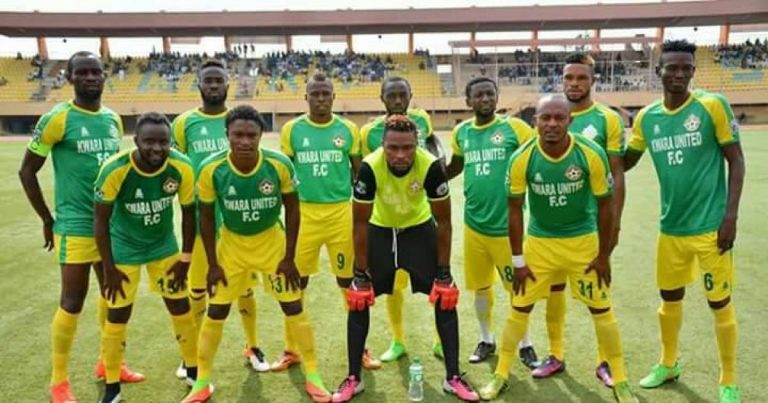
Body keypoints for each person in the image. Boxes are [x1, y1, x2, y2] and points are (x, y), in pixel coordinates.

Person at [478, 95, 637, 403]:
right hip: (540, 244)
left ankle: (620, 380)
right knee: (519, 309)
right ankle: (501, 374)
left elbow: (606, 206)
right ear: (534, 121)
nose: (552, 124)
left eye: (559, 118)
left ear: (570, 121)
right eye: (545, 118)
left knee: (601, 309)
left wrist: (603, 255)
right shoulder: (522, 157)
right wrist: (518, 261)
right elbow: (514, 210)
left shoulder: (590, 153)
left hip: (583, 243)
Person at [182, 105, 332, 403]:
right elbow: (206, 218)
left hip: (272, 244)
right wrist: (212, 264)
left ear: (261, 135)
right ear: (227, 134)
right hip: (231, 247)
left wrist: (289, 257)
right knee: (217, 311)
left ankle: (314, 376)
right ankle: (202, 382)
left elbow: (293, 209)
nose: (245, 141)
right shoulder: (211, 168)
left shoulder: (278, 164)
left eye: (252, 135)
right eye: (238, 135)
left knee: (293, 306)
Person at [624, 39, 745, 403]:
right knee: (669, 299)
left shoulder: (711, 105)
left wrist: (730, 217)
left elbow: (736, 160)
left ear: (693, 71)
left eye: (686, 68)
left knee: (719, 303)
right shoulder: (648, 118)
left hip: (711, 228)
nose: (679, 74)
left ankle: (728, 381)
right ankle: (668, 363)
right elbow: (626, 161)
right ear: (658, 70)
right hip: (671, 229)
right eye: (672, 68)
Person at [18, 51, 143, 403]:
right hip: (75, 224)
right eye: (82, 72)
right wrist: (47, 218)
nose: (90, 77)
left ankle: (109, 363)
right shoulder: (58, 118)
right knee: (72, 301)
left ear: (104, 76)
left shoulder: (112, 119)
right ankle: (59, 382)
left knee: (113, 295)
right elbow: (27, 170)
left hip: (113, 225)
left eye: (95, 71)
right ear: (69, 77)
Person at [332, 115, 478, 402]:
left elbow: (444, 222)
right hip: (380, 233)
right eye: (393, 148)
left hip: (418, 232)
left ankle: (453, 376)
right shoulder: (370, 167)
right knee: (358, 299)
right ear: (382, 146)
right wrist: (360, 274)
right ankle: (353, 378)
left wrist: (444, 272)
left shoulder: (430, 166)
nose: (400, 155)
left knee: (446, 297)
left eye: (407, 148)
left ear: (417, 145)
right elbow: (359, 223)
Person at [531, 51, 628, 386]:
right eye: (568, 78)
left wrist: (614, 227)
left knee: (597, 295)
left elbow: (617, 175)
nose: (574, 84)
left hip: (589, 228)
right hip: (551, 231)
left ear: (593, 80)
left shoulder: (607, 119)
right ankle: (556, 355)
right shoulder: (549, 116)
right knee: (555, 291)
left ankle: (606, 361)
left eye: (581, 77)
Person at [171, 59, 268, 376]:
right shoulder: (184, 123)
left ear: (228, 84)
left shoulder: (239, 120)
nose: (213, 85)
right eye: (208, 80)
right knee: (198, 290)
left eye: (219, 80)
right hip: (202, 221)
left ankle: (252, 346)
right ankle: (192, 355)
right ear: (199, 83)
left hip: (236, 222)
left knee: (245, 290)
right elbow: (175, 166)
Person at [279, 72, 380, 371]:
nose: (321, 99)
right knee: (297, 281)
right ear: (306, 97)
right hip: (305, 214)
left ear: (334, 97)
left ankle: (361, 349)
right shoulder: (291, 130)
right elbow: (285, 173)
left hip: (340, 214)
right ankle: (291, 349)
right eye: (315, 94)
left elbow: (359, 172)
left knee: (349, 282)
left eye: (326, 94)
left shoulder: (347, 129)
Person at [94, 113, 198, 403]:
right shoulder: (115, 168)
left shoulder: (181, 166)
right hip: (124, 248)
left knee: (180, 306)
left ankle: (194, 373)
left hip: (163, 247)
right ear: (136, 140)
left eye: (163, 142)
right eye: (149, 141)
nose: (157, 148)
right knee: (118, 314)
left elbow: (190, 214)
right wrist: (108, 267)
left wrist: (185, 259)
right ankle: (112, 387)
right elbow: (100, 220)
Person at [444, 77, 537, 365]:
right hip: (474, 226)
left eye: (490, 94)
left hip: (507, 227)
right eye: (479, 95)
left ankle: (525, 343)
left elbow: (535, 160)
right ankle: (486, 339)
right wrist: (428, 176)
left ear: (497, 97)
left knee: (517, 288)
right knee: (481, 288)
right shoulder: (461, 132)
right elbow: (455, 166)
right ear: (468, 101)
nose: (485, 99)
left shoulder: (515, 128)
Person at [359, 76, 447, 362]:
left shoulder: (422, 120)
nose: (397, 100)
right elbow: (368, 170)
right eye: (392, 95)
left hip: (419, 215)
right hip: (386, 218)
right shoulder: (369, 132)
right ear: (382, 98)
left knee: (437, 281)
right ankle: (398, 341)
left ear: (410, 96)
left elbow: (431, 151)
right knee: (393, 286)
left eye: (402, 95)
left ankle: (440, 341)